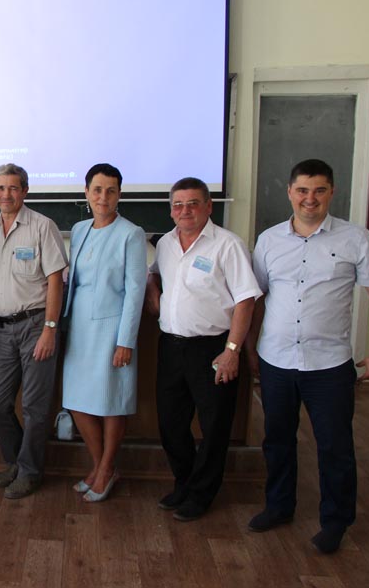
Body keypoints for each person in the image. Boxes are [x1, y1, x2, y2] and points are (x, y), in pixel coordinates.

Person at [245, 159, 369, 554]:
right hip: (276, 360)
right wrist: (250, 348)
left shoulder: (356, 238)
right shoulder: (269, 240)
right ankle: (279, 507)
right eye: (303, 190)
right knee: (277, 440)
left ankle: (335, 521)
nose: (310, 199)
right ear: (290, 192)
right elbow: (257, 298)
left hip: (329, 365)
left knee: (334, 446)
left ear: (331, 192)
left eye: (319, 190)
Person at [145, 177, 261, 521]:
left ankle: (202, 494)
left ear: (209, 206)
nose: (185, 211)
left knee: (214, 426)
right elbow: (153, 275)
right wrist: (154, 294)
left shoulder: (228, 245)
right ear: (171, 210)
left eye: (193, 203)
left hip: (213, 349)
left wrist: (232, 350)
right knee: (171, 423)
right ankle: (184, 483)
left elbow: (246, 301)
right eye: (178, 205)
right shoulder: (165, 244)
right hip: (171, 347)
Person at [0, 163, 67, 499]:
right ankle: (17, 461)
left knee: (34, 407)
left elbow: (56, 281)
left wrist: (50, 329)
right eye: (1, 188)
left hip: (36, 326)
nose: (6, 194)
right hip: (3, 330)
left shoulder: (43, 226)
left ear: (25, 191)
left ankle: (30, 472)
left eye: (13, 188)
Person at [62, 163, 147, 502]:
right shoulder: (79, 229)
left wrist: (125, 341)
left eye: (110, 191)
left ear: (119, 195)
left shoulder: (131, 233)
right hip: (79, 328)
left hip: (112, 330)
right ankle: (102, 466)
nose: (103, 197)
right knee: (77, 401)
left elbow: (136, 291)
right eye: (97, 190)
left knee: (112, 402)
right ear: (86, 193)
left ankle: (105, 468)